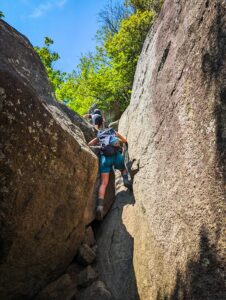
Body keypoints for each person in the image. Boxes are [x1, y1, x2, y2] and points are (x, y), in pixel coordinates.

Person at [88, 128, 132, 220]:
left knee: (104, 183)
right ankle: (125, 180)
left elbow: (89, 144)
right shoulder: (112, 132)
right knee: (123, 169)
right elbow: (124, 140)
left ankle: (100, 206)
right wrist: (124, 143)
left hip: (105, 159)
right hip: (116, 156)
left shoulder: (100, 136)